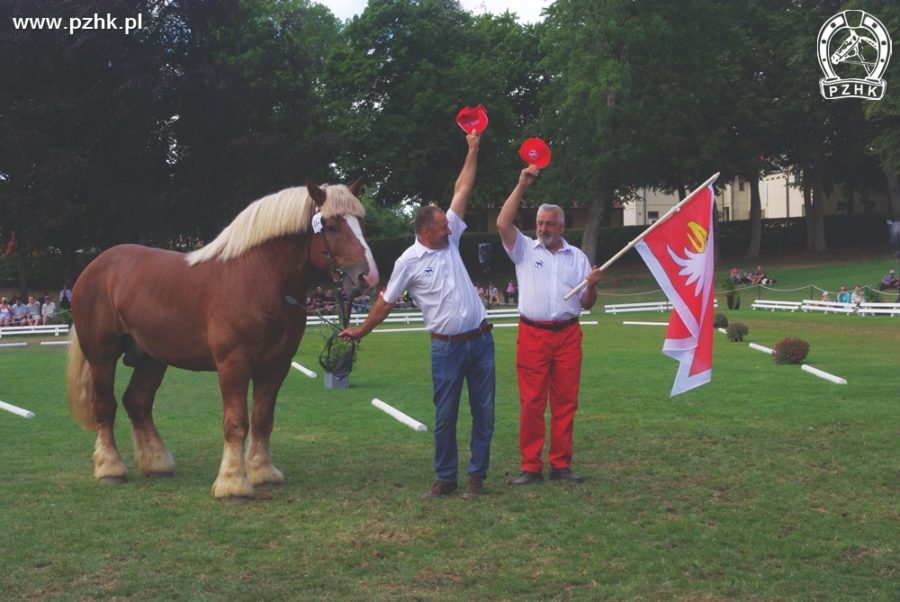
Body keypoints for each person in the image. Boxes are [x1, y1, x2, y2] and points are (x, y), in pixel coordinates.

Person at [339, 132, 494, 499]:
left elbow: (462, 189)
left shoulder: (451, 237)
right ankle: (446, 477)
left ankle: (477, 477)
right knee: (445, 417)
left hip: (481, 341)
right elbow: (386, 302)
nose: (450, 228)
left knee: (484, 414)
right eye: (442, 226)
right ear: (426, 232)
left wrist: (472, 148)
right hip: (446, 349)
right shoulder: (408, 261)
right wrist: (361, 331)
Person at [497, 165, 603, 485]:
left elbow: (586, 304)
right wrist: (521, 185)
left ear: (562, 225)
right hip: (533, 334)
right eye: (540, 222)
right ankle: (530, 466)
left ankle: (560, 464)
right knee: (531, 403)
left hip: (568, 335)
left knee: (565, 402)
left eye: (550, 223)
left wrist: (594, 284)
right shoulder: (525, 250)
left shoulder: (577, 258)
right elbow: (503, 222)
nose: (543, 227)